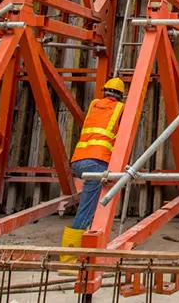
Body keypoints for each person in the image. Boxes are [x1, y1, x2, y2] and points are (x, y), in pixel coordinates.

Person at [60, 77, 127, 261]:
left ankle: (82, 247)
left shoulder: (94, 104)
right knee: (87, 209)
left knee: (90, 206)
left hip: (78, 161)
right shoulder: (120, 109)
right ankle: (69, 258)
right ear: (121, 96)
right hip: (97, 163)